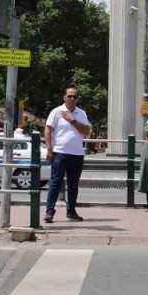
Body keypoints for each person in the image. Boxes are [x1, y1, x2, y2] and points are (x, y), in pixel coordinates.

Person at [44, 86, 91, 223]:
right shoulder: (56, 112)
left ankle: (71, 212)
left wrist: (72, 120)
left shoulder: (81, 113)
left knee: (73, 184)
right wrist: (49, 149)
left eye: (74, 96)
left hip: (76, 154)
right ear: (64, 97)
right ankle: (49, 212)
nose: (72, 99)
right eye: (69, 96)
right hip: (60, 152)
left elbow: (87, 131)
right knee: (55, 182)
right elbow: (47, 129)